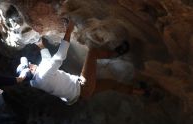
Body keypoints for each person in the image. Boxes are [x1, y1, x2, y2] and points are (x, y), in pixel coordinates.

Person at [17, 20, 147, 105]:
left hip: (80, 95)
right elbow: (59, 57)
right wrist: (69, 30)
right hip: (82, 86)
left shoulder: (35, 82)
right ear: (31, 70)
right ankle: (116, 54)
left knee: (112, 85)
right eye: (29, 64)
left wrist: (41, 46)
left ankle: (141, 92)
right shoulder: (43, 74)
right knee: (93, 53)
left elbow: (46, 62)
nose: (31, 63)